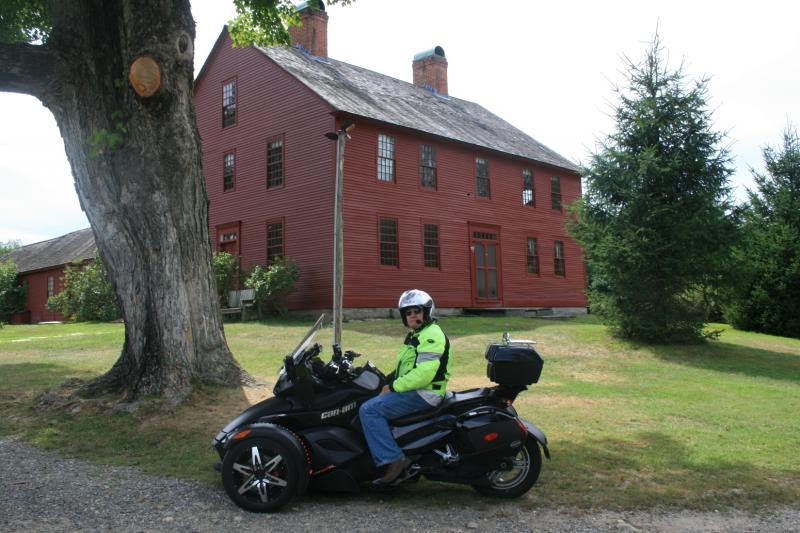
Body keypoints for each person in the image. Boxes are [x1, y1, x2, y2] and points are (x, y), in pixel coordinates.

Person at [358, 289, 452, 485]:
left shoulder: (431, 334)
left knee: (369, 410)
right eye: (408, 313)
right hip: (415, 389)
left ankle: (393, 460)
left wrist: (393, 387)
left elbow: (425, 373)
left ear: (427, 312)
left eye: (416, 311)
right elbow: (406, 367)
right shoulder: (416, 334)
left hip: (425, 393)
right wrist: (385, 380)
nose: (412, 316)